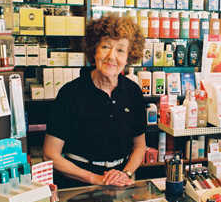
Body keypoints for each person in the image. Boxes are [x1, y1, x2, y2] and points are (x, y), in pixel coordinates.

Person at [43, 15, 147, 188]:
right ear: (94, 50)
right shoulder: (70, 94)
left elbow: (139, 147)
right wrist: (94, 178)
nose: (111, 56)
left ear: (129, 58)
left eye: (121, 50)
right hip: (77, 184)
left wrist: (125, 173)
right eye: (106, 47)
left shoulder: (133, 92)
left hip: (120, 182)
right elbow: (49, 154)